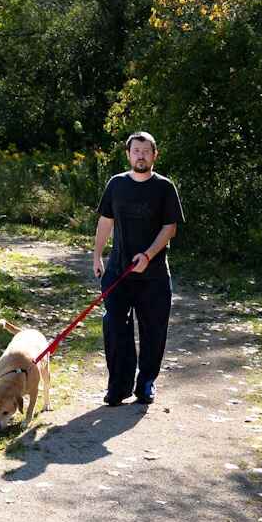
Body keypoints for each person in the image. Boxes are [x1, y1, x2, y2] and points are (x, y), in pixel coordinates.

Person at [92, 130, 183, 405]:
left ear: (155, 155)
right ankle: (118, 387)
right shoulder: (116, 184)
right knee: (115, 327)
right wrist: (97, 256)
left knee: (153, 331)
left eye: (146, 151)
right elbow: (105, 222)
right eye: (136, 151)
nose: (140, 155)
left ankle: (145, 384)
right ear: (128, 154)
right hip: (118, 272)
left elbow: (170, 228)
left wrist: (148, 255)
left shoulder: (164, 187)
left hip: (153, 275)